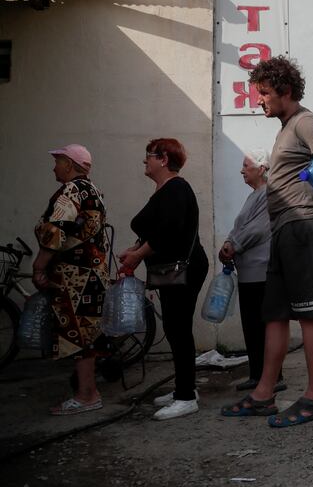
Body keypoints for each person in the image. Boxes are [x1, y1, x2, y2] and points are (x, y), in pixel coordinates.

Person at [221, 56, 313, 427]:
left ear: (286, 91)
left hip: (301, 226)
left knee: (309, 313)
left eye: (264, 93)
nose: (258, 100)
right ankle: (264, 394)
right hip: (285, 229)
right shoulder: (286, 128)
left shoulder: (306, 122)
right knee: (275, 314)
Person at [119, 138, 209, 420]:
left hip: (184, 268)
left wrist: (138, 255)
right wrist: (136, 249)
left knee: (178, 328)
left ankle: (185, 397)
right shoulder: (164, 190)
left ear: (164, 159)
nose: (144, 161)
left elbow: (169, 231)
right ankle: (186, 388)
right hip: (170, 268)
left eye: (149, 155)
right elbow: (156, 230)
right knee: (174, 328)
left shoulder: (176, 188)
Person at [33, 144, 109, 415]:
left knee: (77, 336)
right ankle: (90, 391)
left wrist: (39, 266)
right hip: (93, 272)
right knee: (86, 335)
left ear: (69, 164)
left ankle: (86, 395)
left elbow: (56, 232)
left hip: (74, 276)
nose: (54, 167)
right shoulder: (94, 190)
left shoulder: (72, 190)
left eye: (57, 161)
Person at [218, 148, 286, 392]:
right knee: (252, 326)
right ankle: (258, 373)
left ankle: (272, 376)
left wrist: (232, 245)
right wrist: (228, 243)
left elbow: (258, 229)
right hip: (248, 271)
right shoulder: (253, 196)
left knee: (263, 325)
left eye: (246, 165)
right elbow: (240, 227)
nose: (242, 170)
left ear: (262, 168)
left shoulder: (269, 194)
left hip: (261, 271)